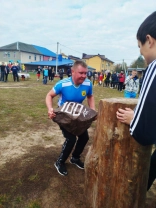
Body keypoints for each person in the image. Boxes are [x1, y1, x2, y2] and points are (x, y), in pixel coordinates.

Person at [116, 11, 156, 191]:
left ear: (150, 40)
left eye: (140, 46)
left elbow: (143, 132)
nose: (141, 52)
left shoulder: (153, 68)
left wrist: (133, 119)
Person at [45, 60, 95, 176]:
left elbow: (90, 96)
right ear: (72, 72)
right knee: (71, 139)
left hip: (78, 115)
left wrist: (93, 110)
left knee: (84, 137)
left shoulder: (88, 84)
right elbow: (49, 95)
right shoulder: (62, 84)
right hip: (64, 116)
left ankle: (75, 158)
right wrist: (50, 109)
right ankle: (60, 162)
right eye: (81, 73)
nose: (84, 76)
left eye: (85, 73)